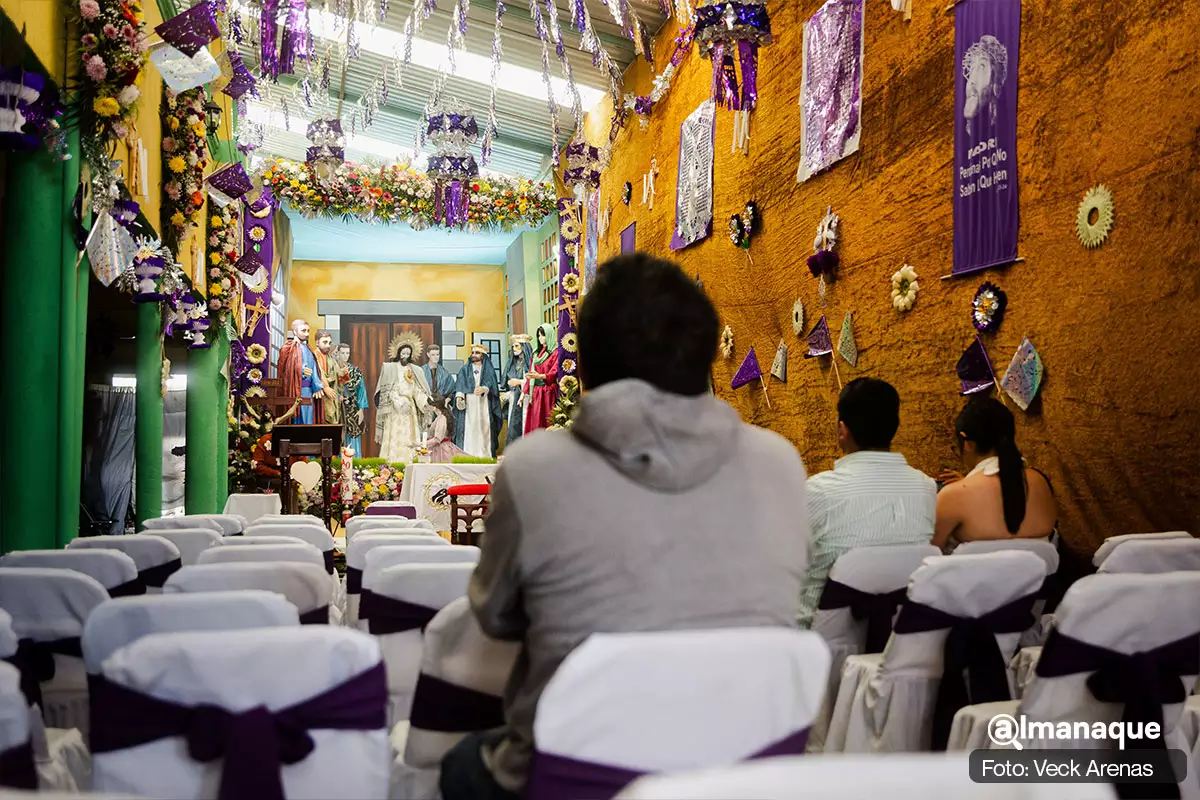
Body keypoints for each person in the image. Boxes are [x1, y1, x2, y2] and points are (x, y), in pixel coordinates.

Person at [440, 253, 810, 800]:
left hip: (576, 777)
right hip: (741, 770)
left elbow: (495, 617)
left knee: (460, 761)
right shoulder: (780, 463)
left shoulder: (534, 467)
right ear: (705, 354)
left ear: (585, 367)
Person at [797, 378, 937, 628]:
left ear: (842, 430)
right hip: (901, 636)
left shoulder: (817, 491)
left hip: (815, 638)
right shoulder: (925, 487)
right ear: (895, 427)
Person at [933, 396, 1056, 549]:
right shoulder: (1040, 482)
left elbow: (928, 554)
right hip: (1041, 565)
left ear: (967, 443)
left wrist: (962, 487)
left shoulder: (952, 496)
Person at [374, 333, 433, 464]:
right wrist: (396, 400)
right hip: (394, 409)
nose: (405, 356)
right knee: (394, 436)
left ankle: (409, 463)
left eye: (408, 354)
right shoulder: (390, 368)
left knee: (409, 436)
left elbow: (417, 390)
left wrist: (424, 402)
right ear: (398, 353)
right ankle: (391, 464)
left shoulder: (415, 370)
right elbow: (386, 390)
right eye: (403, 353)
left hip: (409, 411)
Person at [453, 344, 502, 459]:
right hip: (469, 405)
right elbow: (460, 384)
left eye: (477, 353)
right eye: (473, 352)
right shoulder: (465, 369)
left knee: (483, 429)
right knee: (469, 428)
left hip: (484, 404)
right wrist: (459, 397)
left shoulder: (489, 370)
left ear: (483, 355)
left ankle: (484, 454)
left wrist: (485, 388)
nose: (474, 355)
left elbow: (492, 385)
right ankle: (468, 453)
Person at [276, 319, 328, 424]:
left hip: (308, 391)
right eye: (303, 331)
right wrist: (300, 370)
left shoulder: (309, 349)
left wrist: (317, 385)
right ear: (295, 331)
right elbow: (285, 371)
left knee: (309, 419)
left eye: (308, 331)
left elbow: (314, 368)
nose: (307, 334)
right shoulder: (287, 349)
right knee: (296, 417)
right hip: (295, 390)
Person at [522, 323, 558, 434]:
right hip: (536, 393)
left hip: (547, 392)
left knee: (546, 420)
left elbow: (554, 372)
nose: (540, 338)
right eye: (539, 335)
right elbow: (531, 373)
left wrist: (540, 376)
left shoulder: (555, 353)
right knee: (535, 421)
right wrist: (523, 393)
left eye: (543, 335)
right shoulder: (536, 354)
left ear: (549, 335)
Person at [334, 342, 368, 457]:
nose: (345, 355)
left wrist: (361, 409)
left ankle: (354, 461)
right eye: (343, 353)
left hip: (352, 408)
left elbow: (361, 390)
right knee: (338, 435)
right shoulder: (332, 369)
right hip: (336, 408)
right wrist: (337, 396)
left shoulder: (355, 371)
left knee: (353, 433)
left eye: (347, 353)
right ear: (338, 353)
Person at [501, 335, 533, 449]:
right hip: (514, 398)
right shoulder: (513, 363)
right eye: (513, 346)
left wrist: (519, 382)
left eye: (517, 346)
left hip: (527, 398)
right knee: (513, 423)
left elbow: (533, 380)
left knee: (525, 422)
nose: (514, 348)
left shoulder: (530, 362)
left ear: (524, 346)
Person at [423, 396, 468, 463]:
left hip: (441, 449)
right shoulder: (438, 417)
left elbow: (437, 439)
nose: (427, 406)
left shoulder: (442, 418)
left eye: (429, 404)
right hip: (436, 448)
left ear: (434, 406)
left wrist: (422, 444)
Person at [313, 330, 341, 425]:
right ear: (317, 342)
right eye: (325, 342)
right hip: (318, 393)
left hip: (331, 393)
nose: (328, 345)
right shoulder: (313, 356)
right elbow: (316, 373)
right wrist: (325, 387)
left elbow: (339, 375)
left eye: (329, 343)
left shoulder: (331, 358)